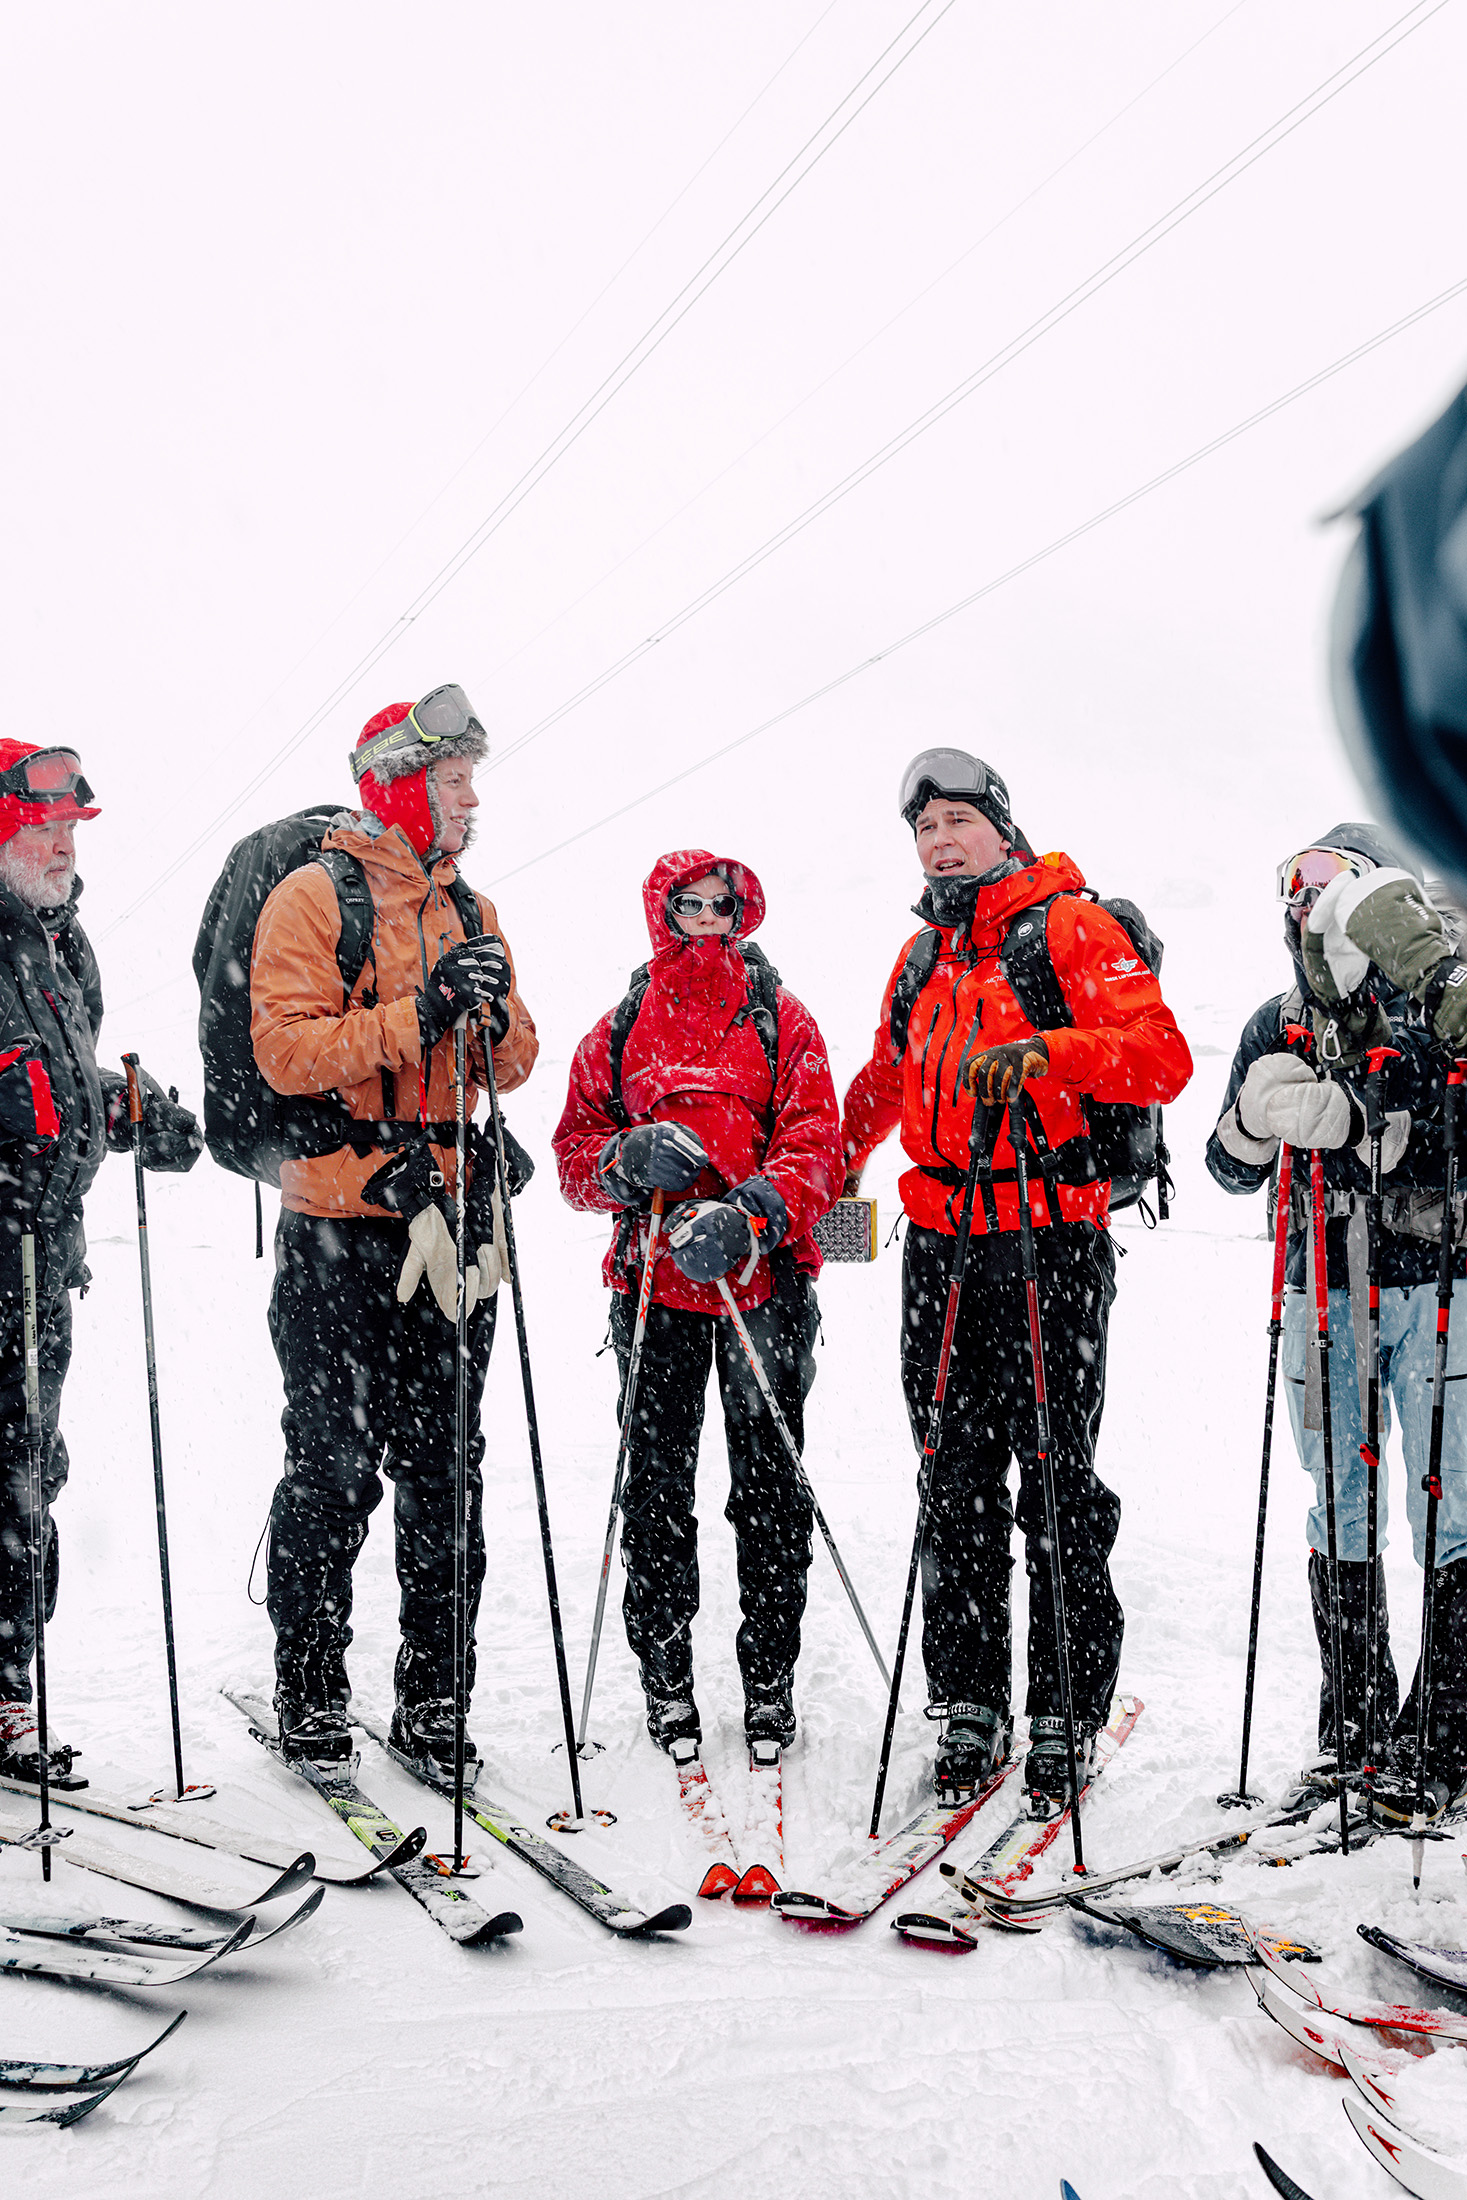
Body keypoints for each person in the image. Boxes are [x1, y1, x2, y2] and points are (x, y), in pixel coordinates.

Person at [840, 749, 1191, 1809]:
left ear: (1001, 826)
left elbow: (1160, 1055)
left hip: (1048, 1238)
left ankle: (1066, 1704)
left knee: (1054, 1477)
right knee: (951, 1476)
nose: (938, 840)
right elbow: (882, 1087)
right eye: (922, 827)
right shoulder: (919, 958)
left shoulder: (1075, 929)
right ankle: (970, 1700)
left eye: (955, 819)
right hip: (939, 1241)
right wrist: (822, 1208)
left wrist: (1047, 1053)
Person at [249, 688, 537, 1770]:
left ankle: (434, 1698)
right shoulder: (314, 899)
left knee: (445, 1468)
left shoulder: (472, 909)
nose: (471, 804)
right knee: (330, 1465)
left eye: (470, 783)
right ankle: (313, 1688)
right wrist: (419, 1015)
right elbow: (286, 1052)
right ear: (404, 784)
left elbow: (513, 1063)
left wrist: (493, 1014)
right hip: (338, 1224)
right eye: (455, 782)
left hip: (451, 1221)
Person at [553, 850, 843, 1758]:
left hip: (761, 1284)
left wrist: (754, 1210)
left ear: (745, 909)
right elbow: (572, 1155)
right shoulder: (620, 1024)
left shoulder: (781, 1020)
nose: (710, 916)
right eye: (691, 902)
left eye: (725, 903)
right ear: (662, 909)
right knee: (655, 1489)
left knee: (769, 1490)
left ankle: (768, 1677)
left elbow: (817, 1142)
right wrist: (622, 1162)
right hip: (652, 1285)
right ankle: (665, 1671)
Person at [1214, 828, 1467, 1820]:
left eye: (1325, 881)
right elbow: (1228, 1168)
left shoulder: (1430, 1014)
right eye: (1291, 881)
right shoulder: (1275, 1021)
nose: (1302, 898)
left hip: (1435, 1279)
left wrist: (1372, 1114)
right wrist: (1251, 1118)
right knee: (1341, 1501)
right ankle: (1353, 1732)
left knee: (1448, 1502)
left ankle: (1441, 1738)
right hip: (1319, 1287)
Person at [0, 742, 201, 1783]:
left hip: (39, 1257)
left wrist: (129, 1112)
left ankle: (2, 1689)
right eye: (42, 828)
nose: (64, 843)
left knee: (26, 1475)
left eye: (72, 826)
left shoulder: (62, 943)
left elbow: (63, 1075)